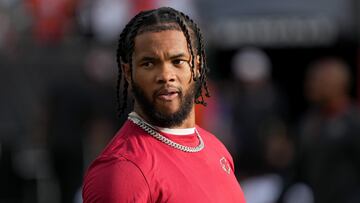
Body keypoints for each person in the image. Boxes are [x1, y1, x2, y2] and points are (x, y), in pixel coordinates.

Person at [82, 7, 246, 203]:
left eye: (177, 61)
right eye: (149, 64)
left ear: (197, 68)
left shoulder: (216, 149)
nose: (166, 76)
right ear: (128, 73)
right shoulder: (123, 171)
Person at [296, 57, 360, 203]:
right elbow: (298, 170)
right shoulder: (309, 122)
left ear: (339, 84)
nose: (311, 85)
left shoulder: (354, 121)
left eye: (319, 81)